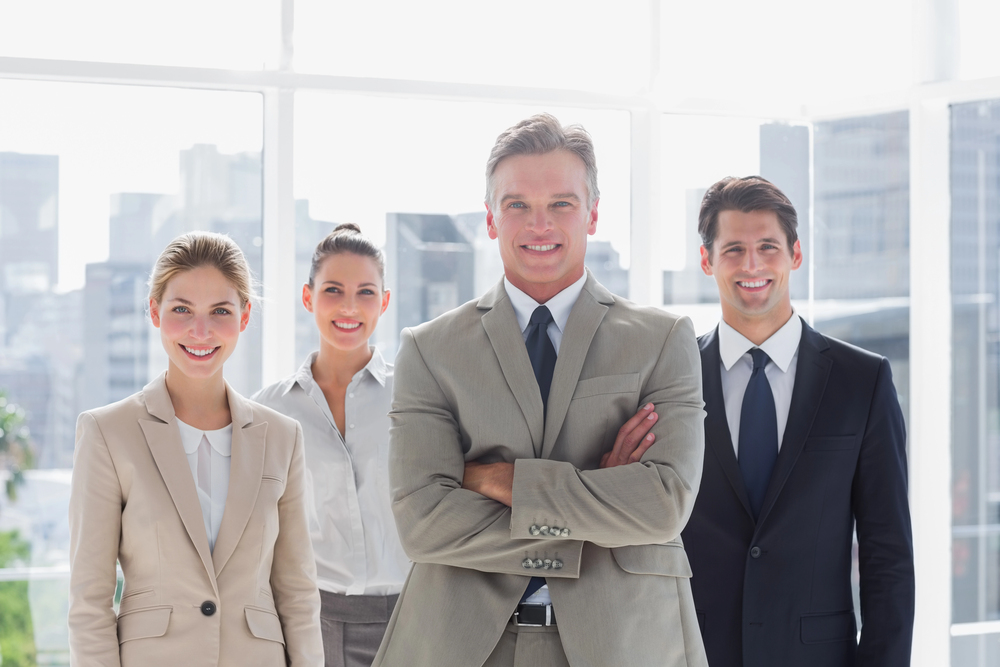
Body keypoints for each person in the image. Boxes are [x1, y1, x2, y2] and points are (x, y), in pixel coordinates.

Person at [374, 113, 708, 667]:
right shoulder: (430, 349)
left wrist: (495, 480)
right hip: (462, 645)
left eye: (561, 203)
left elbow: (663, 506)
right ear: (490, 219)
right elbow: (423, 523)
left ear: (593, 214)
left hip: (624, 642)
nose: (539, 224)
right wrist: (600, 502)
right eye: (517, 205)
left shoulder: (662, 340)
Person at [681, 176, 914, 667]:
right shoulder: (671, 379)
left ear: (795, 254)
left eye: (768, 246)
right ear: (706, 260)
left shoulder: (862, 381)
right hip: (693, 653)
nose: (752, 264)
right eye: (734, 249)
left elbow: (887, 554)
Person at [68, 232, 323, 667]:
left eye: (219, 311)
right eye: (181, 309)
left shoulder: (282, 437)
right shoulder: (107, 433)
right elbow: (89, 602)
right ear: (154, 311)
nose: (199, 331)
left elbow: (297, 595)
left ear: (244, 317)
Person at [253, 223, 407, 667]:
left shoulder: (417, 397)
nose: (348, 307)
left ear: (384, 302)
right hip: (311, 620)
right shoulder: (269, 410)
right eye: (333, 290)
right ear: (308, 297)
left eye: (365, 293)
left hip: (411, 614)